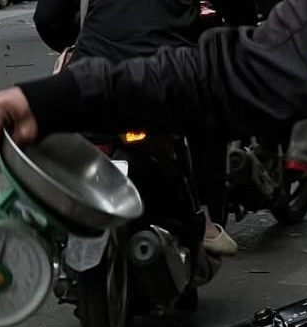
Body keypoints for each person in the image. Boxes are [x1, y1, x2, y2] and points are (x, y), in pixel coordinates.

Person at [0, 0, 307, 327]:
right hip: (136, 70)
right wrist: (53, 101)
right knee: (205, 136)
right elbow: (217, 77)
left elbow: (50, 19)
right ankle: (206, 220)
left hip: (95, 60)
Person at [32, 0, 239, 256]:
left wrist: (91, 36)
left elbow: (48, 17)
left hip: (90, 73)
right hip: (160, 75)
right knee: (209, 108)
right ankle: (207, 217)